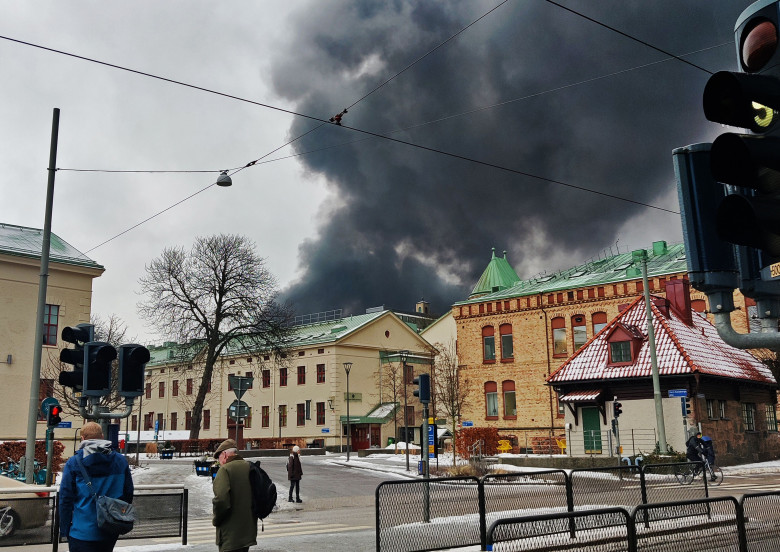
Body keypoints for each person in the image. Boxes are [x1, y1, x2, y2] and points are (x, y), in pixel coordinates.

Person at [59, 422, 134, 552]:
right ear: (102, 436)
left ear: (82, 438)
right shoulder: (120, 460)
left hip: (81, 532)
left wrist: (65, 528)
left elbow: (65, 498)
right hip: (110, 529)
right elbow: (128, 492)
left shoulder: (75, 462)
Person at [211, 439, 257, 552]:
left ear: (225, 454)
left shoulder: (225, 470)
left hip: (230, 535)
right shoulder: (249, 467)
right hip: (247, 532)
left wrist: (216, 519)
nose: (218, 460)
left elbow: (221, 500)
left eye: (219, 456)